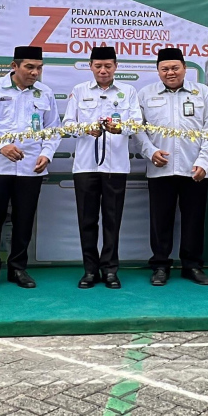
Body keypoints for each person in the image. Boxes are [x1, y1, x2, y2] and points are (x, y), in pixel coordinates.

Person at [0, 46, 61, 291]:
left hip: (30, 166)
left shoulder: (45, 92)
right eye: (29, 67)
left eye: (39, 68)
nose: (35, 72)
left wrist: (46, 154)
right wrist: (1, 145)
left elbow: (53, 128)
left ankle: (18, 268)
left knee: (24, 221)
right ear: (14, 66)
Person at [136, 48, 208, 286]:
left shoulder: (202, 93)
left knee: (194, 219)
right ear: (158, 71)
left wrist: (204, 162)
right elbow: (138, 130)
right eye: (165, 69)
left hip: (195, 169)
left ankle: (192, 265)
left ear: (185, 68)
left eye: (175, 68)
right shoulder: (146, 94)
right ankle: (160, 266)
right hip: (160, 168)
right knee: (160, 220)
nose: (170, 73)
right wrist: (151, 152)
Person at [63, 46, 142, 289]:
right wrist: (85, 129)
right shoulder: (79, 90)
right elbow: (67, 124)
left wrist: (121, 128)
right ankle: (90, 270)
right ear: (90, 66)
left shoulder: (128, 91)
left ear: (116, 66)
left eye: (108, 66)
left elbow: (137, 124)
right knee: (87, 220)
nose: (103, 70)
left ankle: (110, 270)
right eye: (98, 66)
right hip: (85, 166)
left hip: (115, 166)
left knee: (112, 219)